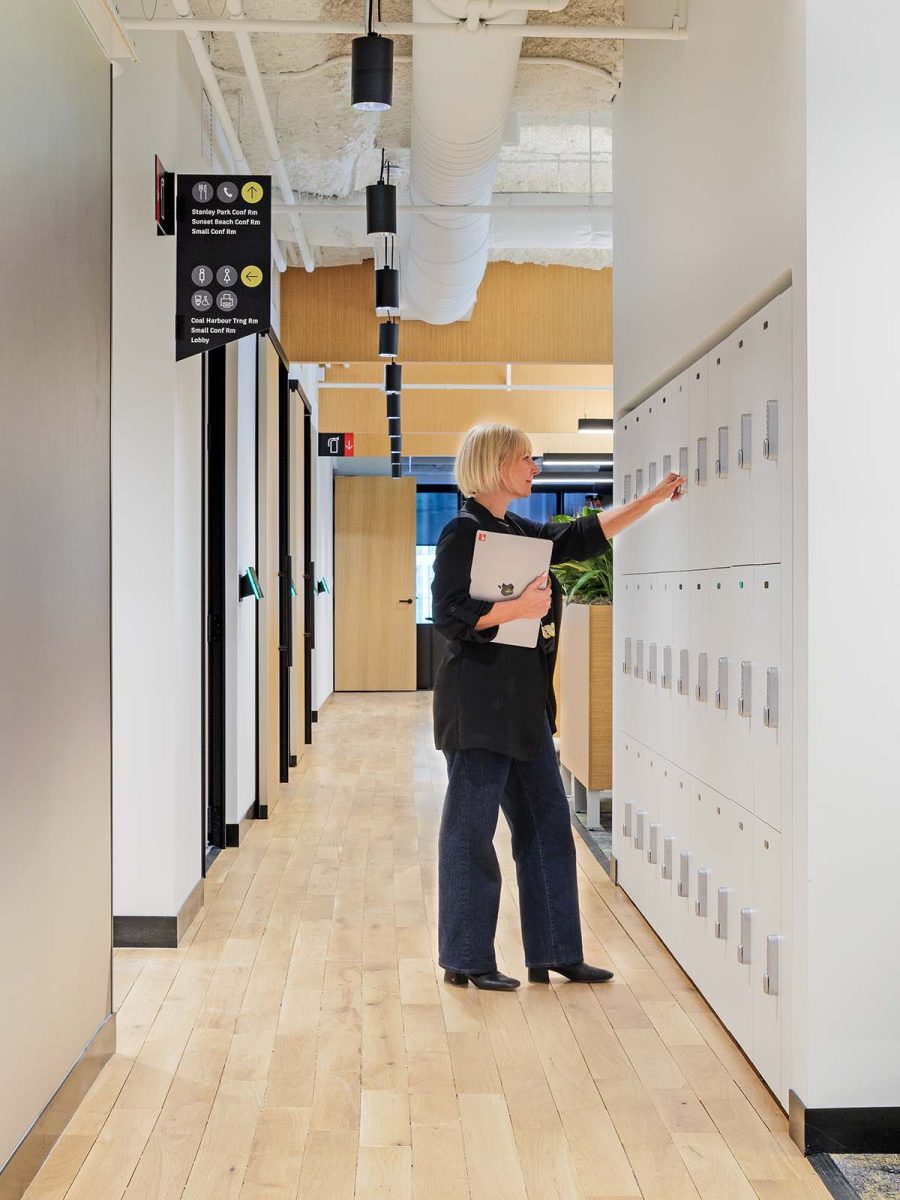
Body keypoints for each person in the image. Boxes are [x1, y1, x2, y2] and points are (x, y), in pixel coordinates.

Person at [431, 422, 686, 991]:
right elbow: (449, 616)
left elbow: (582, 537)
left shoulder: (517, 529)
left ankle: (556, 951)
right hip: (477, 713)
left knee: (548, 828)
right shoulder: (459, 533)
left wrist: (651, 500)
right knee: (469, 836)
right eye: (526, 458)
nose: (534, 468)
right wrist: (517, 609)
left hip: (524, 712)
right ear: (497, 465)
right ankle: (465, 958)